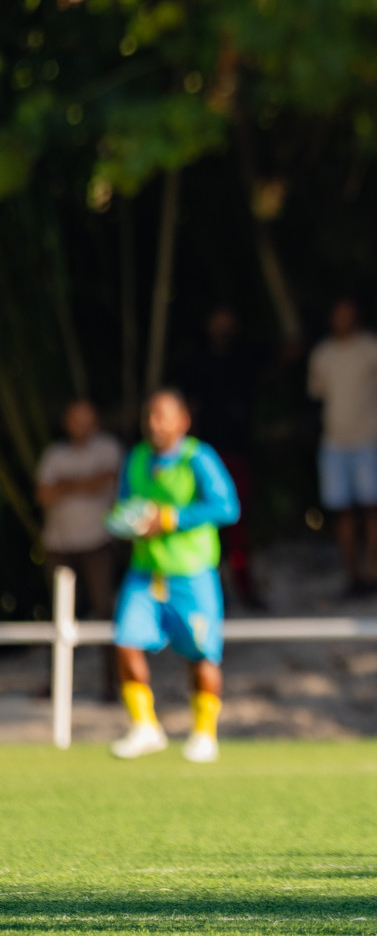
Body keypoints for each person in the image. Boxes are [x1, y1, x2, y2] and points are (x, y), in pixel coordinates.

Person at [108, 389, 240, 762]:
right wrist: (128, 521)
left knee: (202, 654)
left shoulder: (198, 457)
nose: (154, 424)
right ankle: (145, 726)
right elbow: (123, 504)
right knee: (125, 641)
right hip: (145, 571)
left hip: (191, 572)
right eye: (149, 416)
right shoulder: (136, 458)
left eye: (162, 416)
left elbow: (227, 507)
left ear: (183, 421)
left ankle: (204, 732)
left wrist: (170, 519)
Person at [307, 298, 377, 598]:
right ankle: (353, 575)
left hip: (370, 442)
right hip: (334, 444)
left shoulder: (375, 349)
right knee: (342, 510)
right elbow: (317, 394)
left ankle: (374, 574)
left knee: (372, 508)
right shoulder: (322, 354)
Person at [177, 306, 264, 609]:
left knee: (238, 526)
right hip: (204, 455)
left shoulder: (247, 358)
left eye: (228, 322)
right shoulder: (195, 364)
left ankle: (245, 586)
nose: (223, 328)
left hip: (239, 452)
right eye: (217, 322)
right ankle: (216, 593)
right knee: (207, 527)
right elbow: (191, 408)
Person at [35, 400, 122, 698]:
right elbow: (44, 494)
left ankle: (111, 684)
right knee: (59, 616)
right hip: (58, 544)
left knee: (103, 612)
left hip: (97, 543)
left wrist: (65, 484)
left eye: (86, 419)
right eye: (75, 419)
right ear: (66, 423)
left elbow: (104, 482)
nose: (80, 425)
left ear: (96, 422)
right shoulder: (54, 453)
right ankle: (57, 684)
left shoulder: (108, 448)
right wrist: (82, 484)